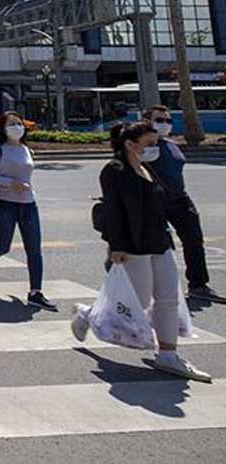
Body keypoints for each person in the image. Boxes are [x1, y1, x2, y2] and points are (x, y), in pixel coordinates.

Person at [74, 121, 211, 381]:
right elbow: (114, 210)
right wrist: (117, 246)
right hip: (133, 246)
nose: (155, 147)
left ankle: (169, 355)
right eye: (150, 143)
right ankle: (89, 314)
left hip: (160, 241)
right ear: (130, 143)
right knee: (138, 299)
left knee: (168, 297)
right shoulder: (114, 170)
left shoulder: (148, 168)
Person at [0, 111, 55, 311]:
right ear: (3, 128)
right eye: (11, 124)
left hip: (28, 204)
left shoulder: (26, 149)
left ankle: (36, 292)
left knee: (34, 249)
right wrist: (10, 183)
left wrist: (22, 187)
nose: (17, 127)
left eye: (19, 123)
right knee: (3, 246)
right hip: (5, 204)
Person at [142, 105, 223, 303]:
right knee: (156, 247)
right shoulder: (143, 146)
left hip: (180, 199)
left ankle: (198, 285)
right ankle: (148, 287)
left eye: (167, 121)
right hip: (154, 201)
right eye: (159, 120)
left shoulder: (172, 145)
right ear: (146, 121)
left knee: (194, 240)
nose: (165, 124)